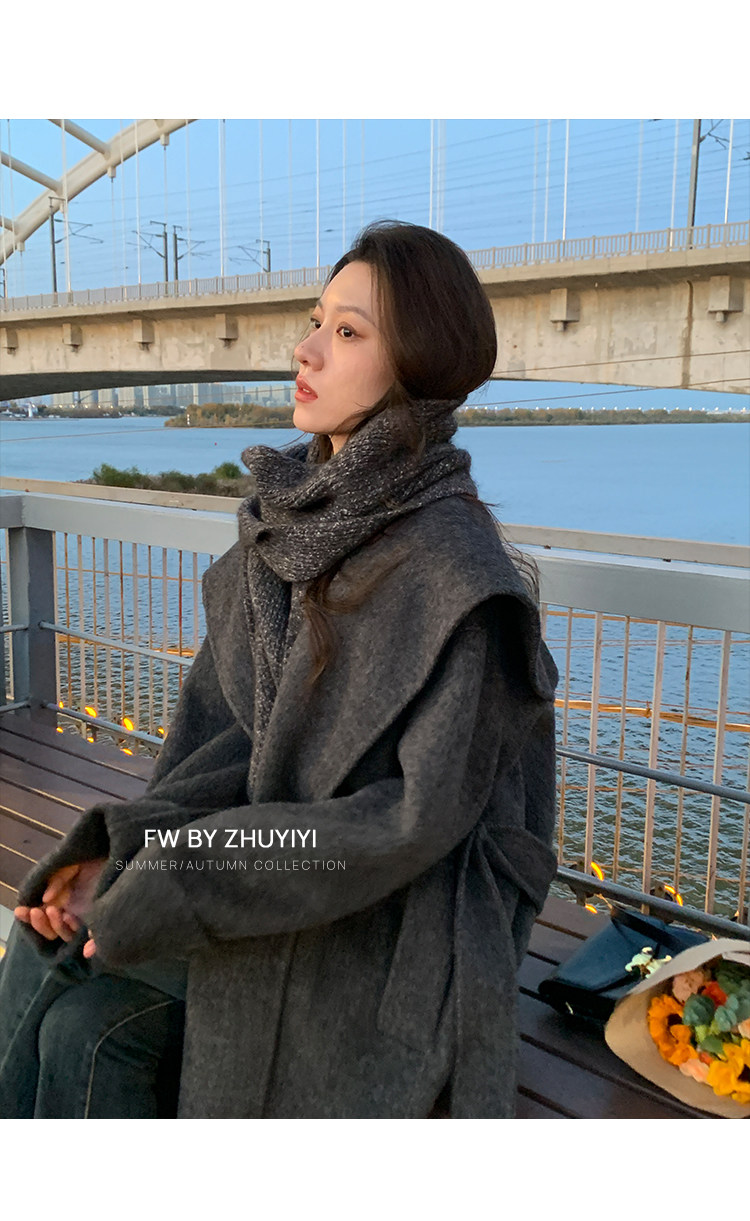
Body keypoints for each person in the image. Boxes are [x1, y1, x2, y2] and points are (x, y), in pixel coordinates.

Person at [0, 219, 559, 1119]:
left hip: (392, 916)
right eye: (315, 321)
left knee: (88, 1028)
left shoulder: (459, 579)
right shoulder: (284, 535)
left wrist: (180, 878)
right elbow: (226, 747)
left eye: (349, 331)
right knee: (38, 953)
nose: (306, 349)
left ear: (415, 363)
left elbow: (403, 827)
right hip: (268, 871)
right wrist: (127, 847)